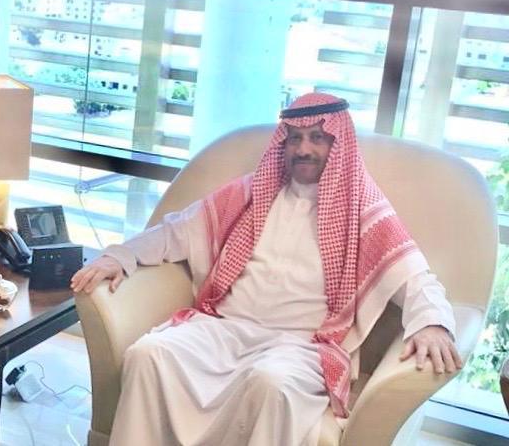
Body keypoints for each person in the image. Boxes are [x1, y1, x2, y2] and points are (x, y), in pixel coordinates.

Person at [71, 92, 461, 446]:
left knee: (272, 382)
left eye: (317, 138)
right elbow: (175, 232)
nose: (303, 149)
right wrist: (120, 256)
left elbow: (414, 277)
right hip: (224, 327)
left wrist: (432, 323)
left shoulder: (363, 209)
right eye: (295, 138)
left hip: (302, 345)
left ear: (337, 143)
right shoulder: (250, 193)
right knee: (149, 353)